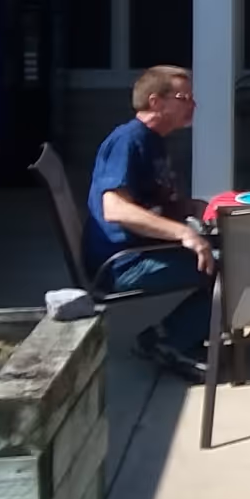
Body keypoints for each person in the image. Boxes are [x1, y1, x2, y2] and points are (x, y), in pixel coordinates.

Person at [85, 65, 214, 377]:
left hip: (143, 249)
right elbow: (115, 209)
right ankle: (166, 341)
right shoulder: (128, 141)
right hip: (122, 263)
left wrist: (190, 207)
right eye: (185, 97)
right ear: (156, 102)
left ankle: (176, 335)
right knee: (225, 269)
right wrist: (184, 233)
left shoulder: (154, 140)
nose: (193, 105)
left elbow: (153, 201)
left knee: (230, 251)